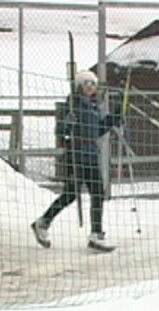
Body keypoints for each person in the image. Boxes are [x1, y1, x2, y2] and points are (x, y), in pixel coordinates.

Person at [31, 69, 122, 251]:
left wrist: (114, 118)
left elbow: (97, 130)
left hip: (91, 155)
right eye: (87, 84)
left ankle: (96, 233)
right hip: (76, 155)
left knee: (98, 192)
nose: (90, 87)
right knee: (71, 194)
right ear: (80, 86)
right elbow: (61, 130)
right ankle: (43, 222)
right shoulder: (72, 104)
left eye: (93, 84)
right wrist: (67, 124)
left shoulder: (95, 106)